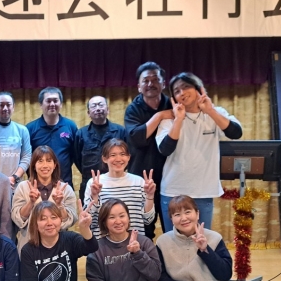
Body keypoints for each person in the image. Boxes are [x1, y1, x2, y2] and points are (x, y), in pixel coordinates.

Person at [156, 73, 242, 231]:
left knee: (202, 240)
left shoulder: (215, 113)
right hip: (173, 190)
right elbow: (165, 149)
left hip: (203, 191)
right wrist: (178, 119)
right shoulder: (169, 120)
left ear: (199, 89)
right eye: (177, 91)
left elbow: (236, 133)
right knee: (172, 240)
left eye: (186, 87)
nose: (182, 93)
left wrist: (210, 111)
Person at [124, 62, 173, 239]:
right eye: (146, 80)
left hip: (171, 178)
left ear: (163, 83)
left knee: (174, 229)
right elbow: (137, 138)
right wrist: (159, 116)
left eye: (155, 79)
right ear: (139, 86)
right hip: (142, 178)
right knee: (144, 231)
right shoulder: (133, 109)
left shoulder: (173, 104)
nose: (150, 84)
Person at [83, 139, 156, 238]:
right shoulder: (94, 183)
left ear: (128, 157)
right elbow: (89, 219)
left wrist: (150, 196)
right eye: (113, 155)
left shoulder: (139, 182)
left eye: (122, 154)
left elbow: (148, 219)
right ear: (104, 158)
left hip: (134, 242)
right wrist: (94, 196)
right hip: (104, 243)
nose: (118, 159)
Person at [11, 146, 78, 254]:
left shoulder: (65, 189)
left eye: (49, 161)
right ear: (33, 165)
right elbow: (17, 218)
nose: (45, 165)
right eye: (40, 161)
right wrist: (31, 202)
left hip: (59, 249)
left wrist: (59, 205)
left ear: (55, 165)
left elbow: (69, 221)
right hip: (29, 247)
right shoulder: (23, 187)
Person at [75, 96, 127, 202]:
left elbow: (127, 155)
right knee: (90, 211)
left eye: (101, 105)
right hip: (89, 182)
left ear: (108, 109)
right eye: (94, 106)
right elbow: (77, 159)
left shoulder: (120, 131)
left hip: (116, 182)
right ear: (88, 113)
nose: (98, 108)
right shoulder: (81, 133)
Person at [26, 87, 78, 188]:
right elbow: (27, 158)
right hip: (37, 185)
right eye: (48, 101)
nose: (52, 104)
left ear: (61, 104)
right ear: (41, 104)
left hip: (64, 183)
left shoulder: (70, 126)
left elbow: (75, 155)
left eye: (55, 100)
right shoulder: (30, 128)